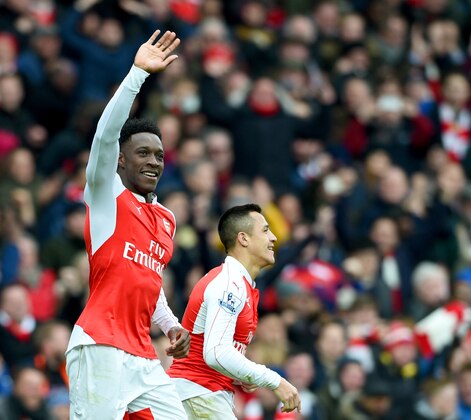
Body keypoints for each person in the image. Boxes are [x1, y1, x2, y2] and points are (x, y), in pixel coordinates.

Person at [65, 30, 190, 419]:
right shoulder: (107, 197)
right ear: (121, 161)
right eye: (142, 153)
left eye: (159, 154)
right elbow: (105, 137)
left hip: (142, 356)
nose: (154, 161)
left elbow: (147, 282)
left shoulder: (166, 219)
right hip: (99, 346)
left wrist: (170, 324)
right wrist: (137, 73)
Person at [167, 204, 301, 418]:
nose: (274, 237)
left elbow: (212, 350)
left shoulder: (240, 284)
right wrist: (275, 381)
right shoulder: (229, 285)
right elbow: (216, 353)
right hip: (198, 392)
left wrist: (241, 375)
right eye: (266, 230)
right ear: (243, 239)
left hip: (203, 394)